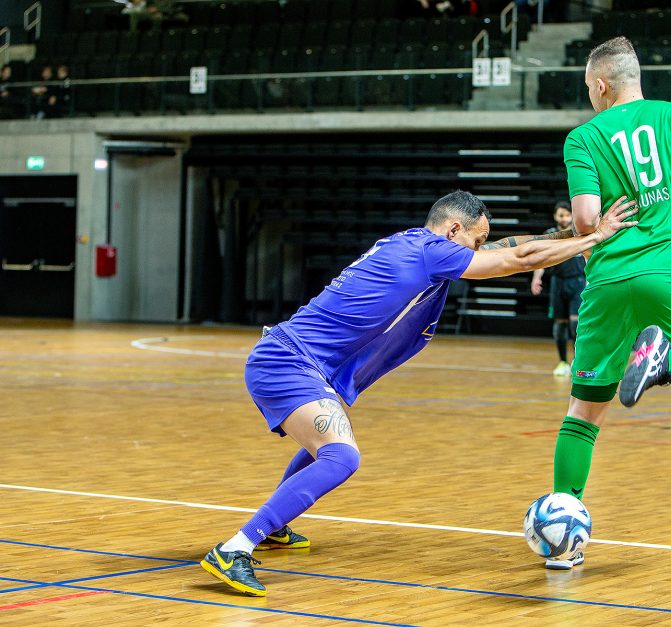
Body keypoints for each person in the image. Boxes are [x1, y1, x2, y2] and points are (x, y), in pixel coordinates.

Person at [200, 190, 638, 596]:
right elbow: (515, 259)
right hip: (287, 362)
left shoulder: (419, 246)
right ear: (453, 231)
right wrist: (595, 237)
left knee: (325, 449)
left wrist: (570, 233)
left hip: (303, 364)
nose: (477, 251)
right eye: (475, 240)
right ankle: (236, 548)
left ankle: (277, 527)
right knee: (341, 456)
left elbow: (506, 247)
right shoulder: (430, 252)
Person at [546, 36, 671, 570]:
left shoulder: (582, 138)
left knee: (584, 411)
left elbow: (585, 220)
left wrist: (604, 224)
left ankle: (564, 540)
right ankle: (670, 362)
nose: (589, 97)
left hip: (608, 281)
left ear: (602, 85)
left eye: (588, 88)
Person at [530, 200, 585, 376]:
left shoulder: (580, 233)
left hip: (578, 282)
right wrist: (537, 278)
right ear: (555, 216)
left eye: (567, 215)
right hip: (557, 283)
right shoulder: (550, 235)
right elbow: (541, 260)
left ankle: (579, 361)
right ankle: (562, 362)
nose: (564, 218)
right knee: (560, 323)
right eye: (561, 215)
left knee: (576, 323)